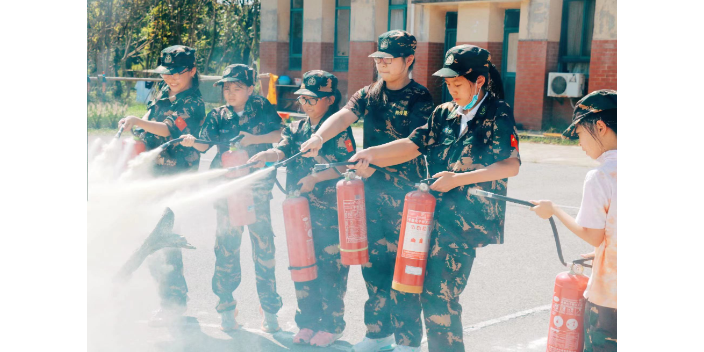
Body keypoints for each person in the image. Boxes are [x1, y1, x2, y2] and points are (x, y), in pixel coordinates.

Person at [348, 45, 521, 351]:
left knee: (439, 294)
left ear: (479, 81)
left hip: (466, 220)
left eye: (457, 84)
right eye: (449, 84)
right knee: (405, 283)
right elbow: (412, 144)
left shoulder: (498, 113)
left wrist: (459, 179)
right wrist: (370, 155)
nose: (451, 90)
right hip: (427, 214)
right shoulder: (444, 114)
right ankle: (406, 345)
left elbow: (511, 165)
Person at [298, 30, 435, 352]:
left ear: (409, 60)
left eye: (389, 60)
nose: (382, 65)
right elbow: (345, 114)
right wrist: (319, 136)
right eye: (379, 59)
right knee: (374, 269)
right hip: (370, 195)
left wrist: (373, 157)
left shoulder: (420, 98)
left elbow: (415, 147)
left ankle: (408, 341)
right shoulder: (370, 92)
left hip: (408, 199)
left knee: (406, 272)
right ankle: (377, 334)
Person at [249, 70, 356, 347]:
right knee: (302, 265)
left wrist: (315, 178)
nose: (304, 104)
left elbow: (347, 166)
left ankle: (331, 325)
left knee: (330, 270)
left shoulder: (339, 130)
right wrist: (268, 155)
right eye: (302, 99)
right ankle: (307, 323)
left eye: (311, 99)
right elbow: (283, 149)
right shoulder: (297, 127)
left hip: (329, 214)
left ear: (329, 99)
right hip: (299, 212)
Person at [186, 64, 284, 332]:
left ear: (250, 89)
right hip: (228, 192)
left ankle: (270, 312)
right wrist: (190, 141)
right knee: (227, 250)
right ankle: (227, 308)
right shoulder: (217, 115)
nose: (230, 93)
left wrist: (254, 138)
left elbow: (278, 134)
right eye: (226, 88)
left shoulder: (262, 106)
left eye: (236, 87)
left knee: (264, 250)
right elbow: (204, 143)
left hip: (257, 190)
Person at [116, 45, 206, 325]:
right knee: (151, 238)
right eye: (166, 73)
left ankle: (175, 305)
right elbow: (148, 130)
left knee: (164, 240)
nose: (171, 78)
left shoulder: (193, 102)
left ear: (192, 70)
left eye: (177, 72)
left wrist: (137, 120)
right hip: (151, 177)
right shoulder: (162, 95)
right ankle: (167, 303)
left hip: (173, 179)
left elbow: (170, 128)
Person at [530, 89, 617, 352]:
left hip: (609, 298)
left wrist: (554, 209)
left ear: (600, 127)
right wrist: (601, 252)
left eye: (579, 133)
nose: (579, 143)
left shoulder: (601, 176)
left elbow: (593, 235)